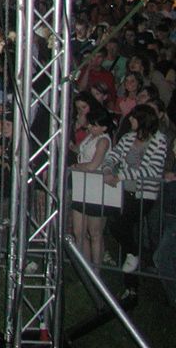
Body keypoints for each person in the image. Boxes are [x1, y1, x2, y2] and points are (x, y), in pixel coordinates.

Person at [102, 104, 169, 299]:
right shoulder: (128, 138)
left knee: (122, 225)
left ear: (142, 121)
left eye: (133, 117)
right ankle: (130, 285)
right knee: (122, 230)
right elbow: (114, 154)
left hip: (143, 195)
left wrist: (121, 175)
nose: (130, 120)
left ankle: (133, 260)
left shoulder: (159, 141)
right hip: (125, 192)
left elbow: (152, 170)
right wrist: (108, 168)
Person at [69, 107, 113, 271]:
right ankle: (86, 268)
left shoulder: (103, 141)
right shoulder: (90, 137)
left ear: (104, 127)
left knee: (95, 233)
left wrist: (76, 166)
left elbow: (94, 165)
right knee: (79, 231)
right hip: (82, 185)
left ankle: (97, 270)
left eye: (94, 125)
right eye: (90, 124)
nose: (90, 127)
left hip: (96, 188)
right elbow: (77, 149)